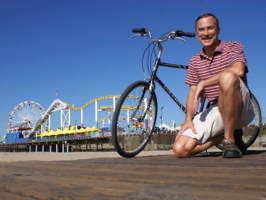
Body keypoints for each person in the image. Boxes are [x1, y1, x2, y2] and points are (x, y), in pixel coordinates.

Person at [173, 13, 255, 158]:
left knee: (227, 76)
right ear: (197, 32)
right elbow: (192, 93)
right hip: (217, 109)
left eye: (210, 28)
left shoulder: (232, 46)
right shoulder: (195, 61)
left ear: (218, 29)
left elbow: (239, 69)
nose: (205, 33)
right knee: (180, 149)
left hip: (240, 107)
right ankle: (226, 138)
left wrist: (204, 83)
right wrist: (188, 120)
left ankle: (229, 140)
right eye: (201, 29)